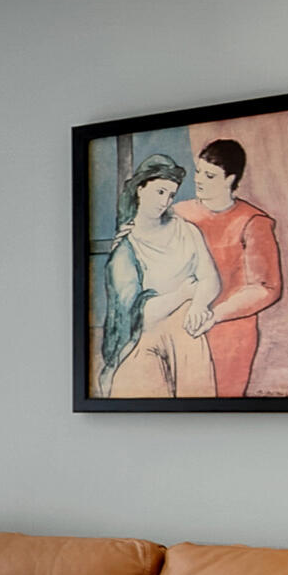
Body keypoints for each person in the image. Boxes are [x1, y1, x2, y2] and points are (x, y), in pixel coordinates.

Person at [100, 154, 220, 399]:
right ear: (140, 189)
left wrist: (198, 303)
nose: (165, 201)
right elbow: (138, 316)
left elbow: (210, 278)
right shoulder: (127, 247)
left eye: (171, 195)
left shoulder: (186, 230)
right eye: (159, 191)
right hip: (142, 342)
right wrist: (184, 294)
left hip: (188, 335)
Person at [174, 137, 283, 398]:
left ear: (230, 179)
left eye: (210, 175)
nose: (199, 180)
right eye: (199, 172)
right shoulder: (177, 214)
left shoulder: (252, 221)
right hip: (177, 327)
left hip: (228, 334)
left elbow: (266, 288)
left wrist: (214, 315)